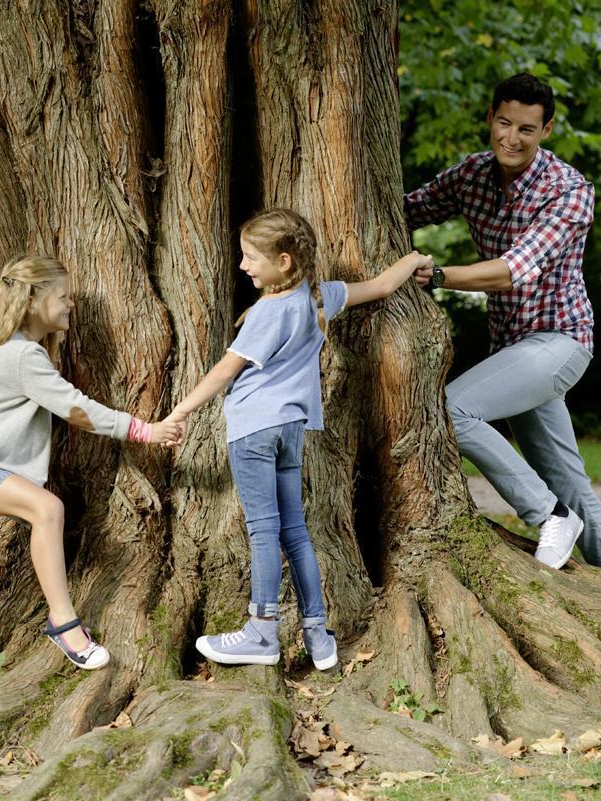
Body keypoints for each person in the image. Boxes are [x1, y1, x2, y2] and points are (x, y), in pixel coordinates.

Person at [165, 209, 432, 670]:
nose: (243, 265)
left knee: (263, 532)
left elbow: (225, 371)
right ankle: (318, 635)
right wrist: (415, 259)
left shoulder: (268, 311)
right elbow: (382, 286)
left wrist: (180, 412)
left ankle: (261, 632)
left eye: (251, 257)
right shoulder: (318, 297)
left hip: (253, 430)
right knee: (294, 531)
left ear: (284, 261)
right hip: (291, 430)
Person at [405, 73, 601, 589]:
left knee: (452, 409)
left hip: (559, 343)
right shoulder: (472, 175)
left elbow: (514, 270)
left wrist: (438, 275)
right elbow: (405, 209)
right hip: (512, 350)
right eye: (504, 123)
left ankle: (548, 516)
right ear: (491, 118)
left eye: (526, 130)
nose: (511, 138)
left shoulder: (569, 192)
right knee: (573, 486)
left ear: (546, 130)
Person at [0, 255, 180, 695]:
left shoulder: (5, 351)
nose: (71, 304)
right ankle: (63, 622)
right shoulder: (23, 355)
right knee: (48, 509)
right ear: (32, 301)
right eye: (62, 296)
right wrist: (143, 430)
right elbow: (76, 409)